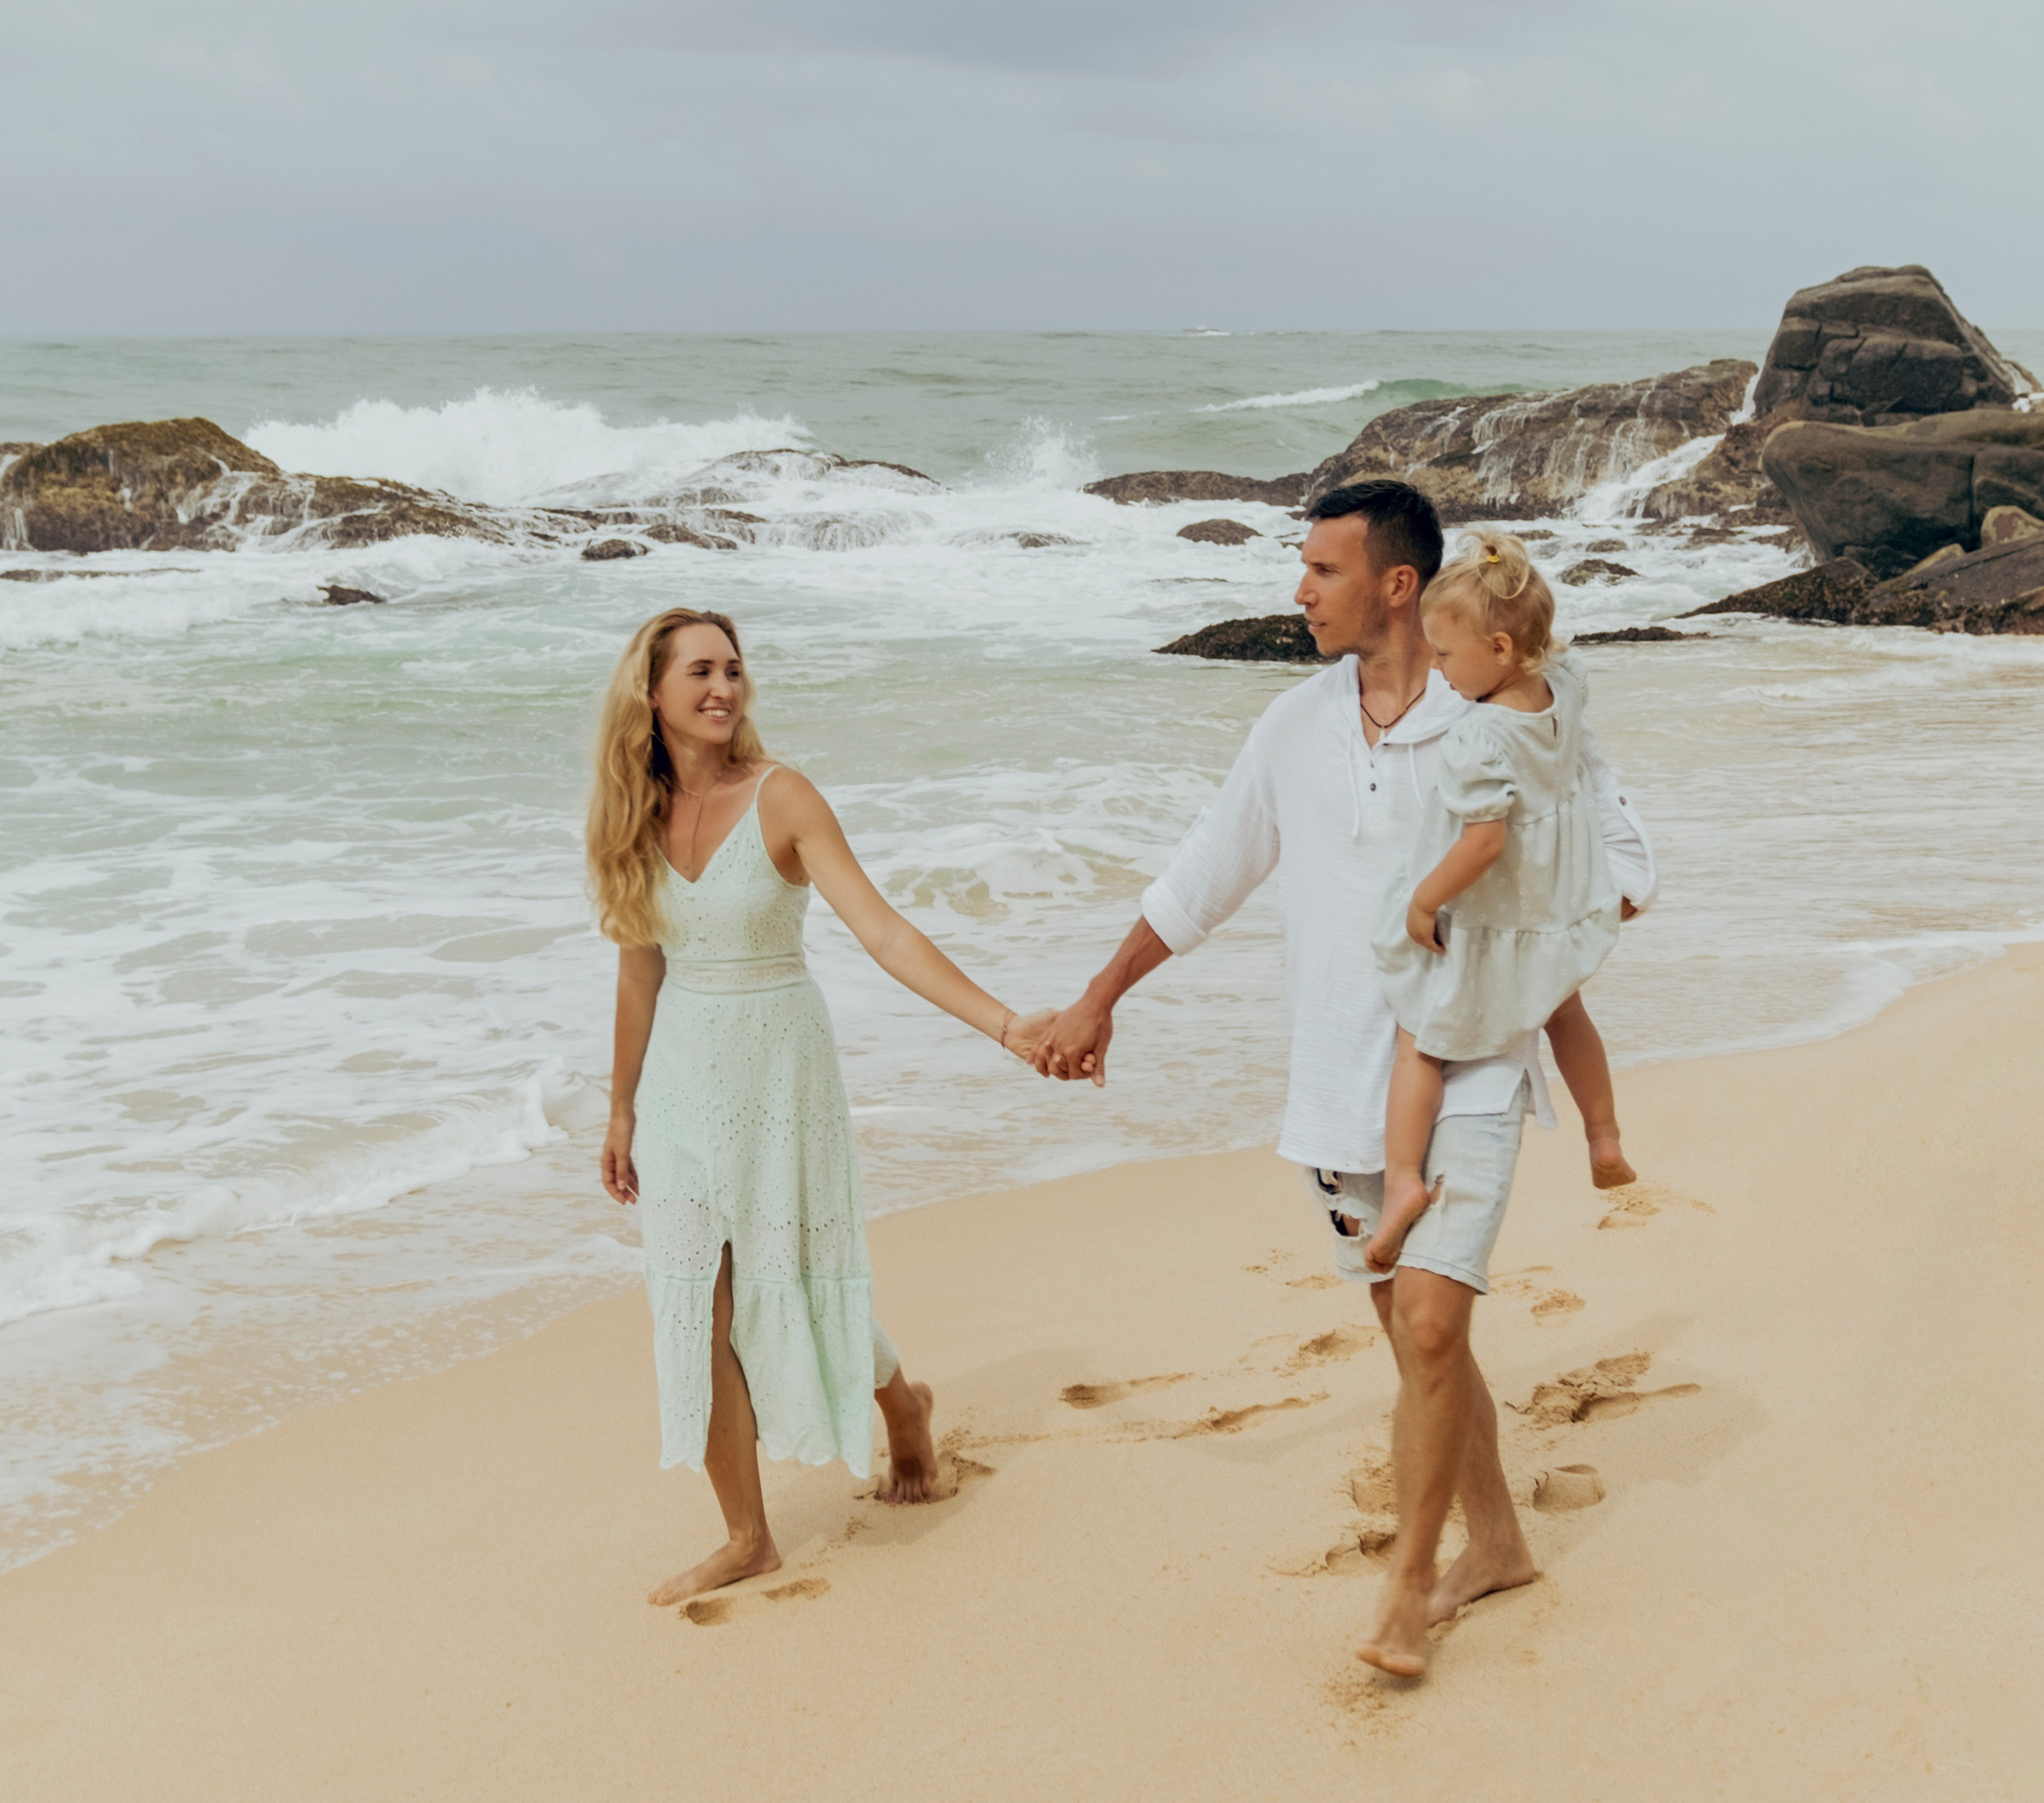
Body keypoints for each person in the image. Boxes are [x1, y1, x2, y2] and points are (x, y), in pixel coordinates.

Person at [1033, 478, 1655, 1681]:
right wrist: (1098, 999)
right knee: (1418, 1342)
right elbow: (1206, 874)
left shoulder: (1503, 714)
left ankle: (1409, 1590)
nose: (1300, 592)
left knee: (1428, 1323)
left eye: (1323, 570)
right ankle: (1497, 1543)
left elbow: (1625, 861)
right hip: (1335, 1087)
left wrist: (1514, 924)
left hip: (1469, 1060)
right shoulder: (1292, 726)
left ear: (1397, 585)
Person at [593, 607, 1050, 1606]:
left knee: (788, 1274)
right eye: (700, 671)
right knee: (696, 1303)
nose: (723, 688)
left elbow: (884, 934)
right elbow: (639, 971)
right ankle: (747, 1537)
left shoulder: (782, 797)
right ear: (651, 692)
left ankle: (904, 1403)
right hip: (679, 1085)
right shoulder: (630, 816)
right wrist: (619, 1109)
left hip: (778, 1070)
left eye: (732, 669)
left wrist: (1005, 1024)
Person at [1364, 536, 1628, 1278]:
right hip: (1554, 894)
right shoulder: (1562, 688)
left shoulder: (1478, 735)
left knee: (1421, 1038)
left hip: (1497, 905)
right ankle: (1603, 1136)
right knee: (1566, 1012)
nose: (1437, 671)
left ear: (1501, 648)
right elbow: (1564, 673)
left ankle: (1403, 1181)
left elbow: (1483, 844)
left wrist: (1424, 900)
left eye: (1446, 655)